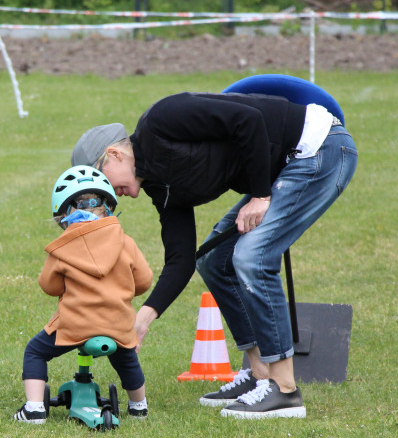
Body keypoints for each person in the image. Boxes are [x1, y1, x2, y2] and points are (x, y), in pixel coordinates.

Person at [71, 91, 357, 419]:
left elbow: (248, 120)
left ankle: (285, 390)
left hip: (319, 149)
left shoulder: (162, 120)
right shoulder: (160, 189)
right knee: (214, 259)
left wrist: (261, 195)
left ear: (114, 154)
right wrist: (143, 320)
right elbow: (181, 261)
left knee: (251, 256)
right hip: (288, 166)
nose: (109, 195)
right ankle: (259, 373)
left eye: (100, 180)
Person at [14, 166, 153, 424]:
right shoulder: (126, 242)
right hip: (117, 325)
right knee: (127, 358)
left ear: (64, 214)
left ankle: (34, 408)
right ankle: (138, 406)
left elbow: (49, 286)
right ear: (108, 207)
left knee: (35, 351)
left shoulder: (63, 249)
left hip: (75, 325)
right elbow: (144, 281)